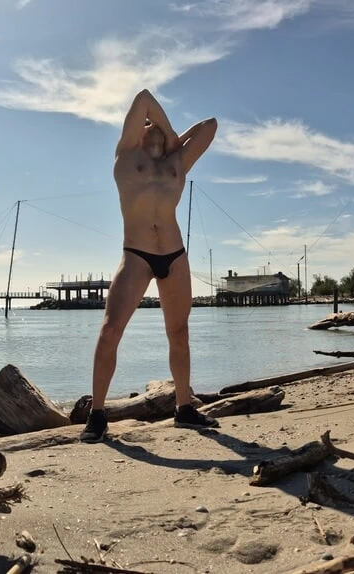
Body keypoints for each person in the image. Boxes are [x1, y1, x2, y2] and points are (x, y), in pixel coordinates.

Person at [81, 89, 216, 442]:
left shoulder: (177, 164)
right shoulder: (126, 157)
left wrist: (176, 139)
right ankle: (97, 415)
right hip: (137, 254)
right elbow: (142, 97)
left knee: (179, 333)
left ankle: (184, 409)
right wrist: (167, 129)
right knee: (110, 330)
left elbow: (210, 126)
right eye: (147, 124)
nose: (152, 126)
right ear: (134, 132)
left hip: (175, 253)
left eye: (157, 126)